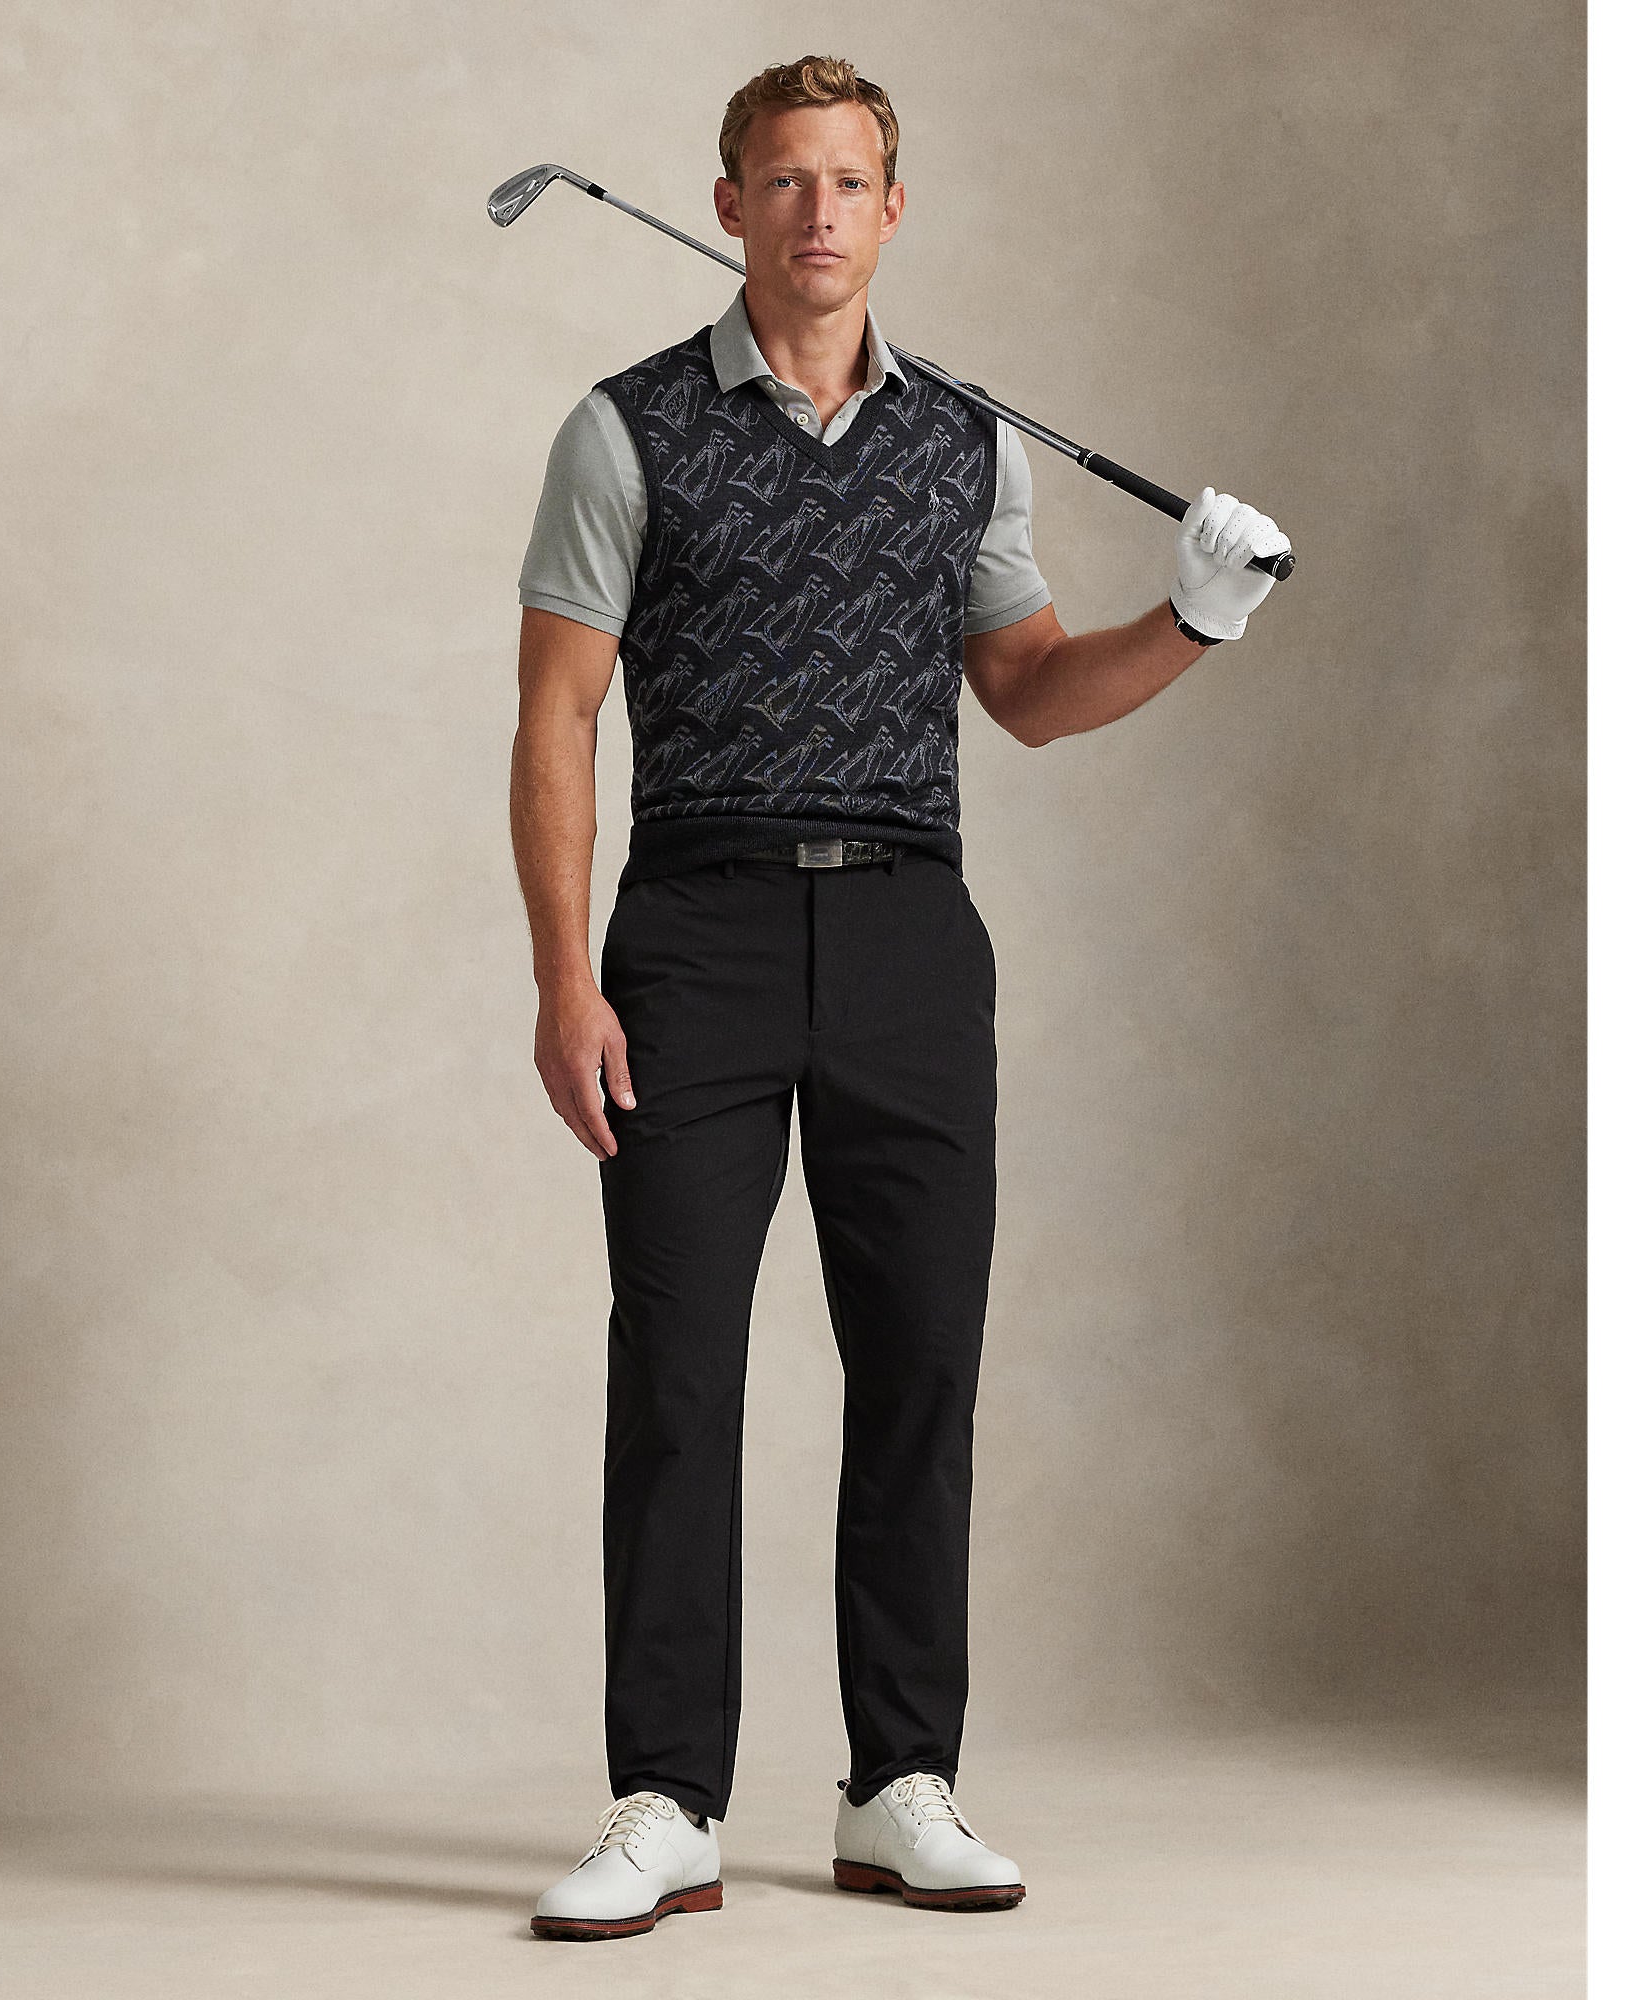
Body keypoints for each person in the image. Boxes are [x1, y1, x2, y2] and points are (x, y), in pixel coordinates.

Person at [508, 54, 1289, 1943]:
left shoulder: (965, 443)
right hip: (693, 932)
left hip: (910, 941)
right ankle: (667, 1801)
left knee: (923, 1358)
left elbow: (1027, 690)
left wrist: (1193, 622)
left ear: (893, 207)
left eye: (849, 180)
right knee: (679, 1368)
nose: (819, 212)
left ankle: (896, 1785)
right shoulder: (625, 430)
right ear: (731, 205)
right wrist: (561, 977)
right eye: (785, 180)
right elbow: (556, 717)